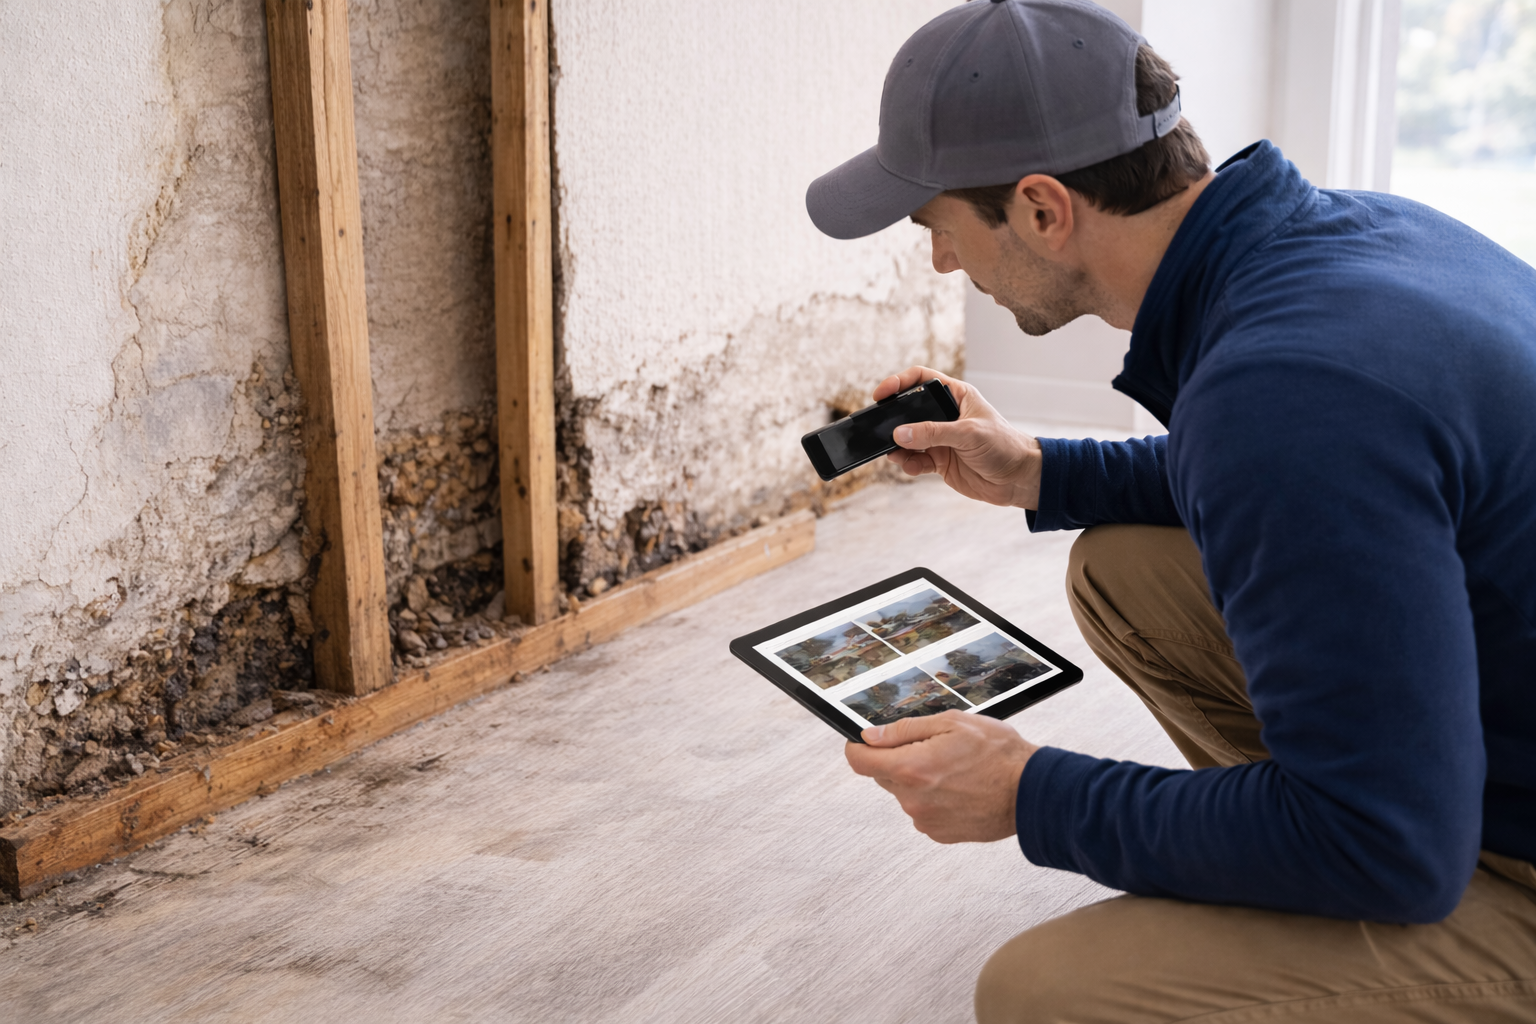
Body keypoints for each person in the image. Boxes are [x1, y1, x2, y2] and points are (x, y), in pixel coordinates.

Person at [804, 2, 1536, 1021]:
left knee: (1042, 993)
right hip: (1488, 751)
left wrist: (1031, 792)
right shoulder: (1352, 243)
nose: (940, 261)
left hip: (1457, 841)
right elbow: (1304, 482)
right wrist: (1038, 472)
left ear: (1043, 208)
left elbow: (1395, 848)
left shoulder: (1283, 392)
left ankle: (1339, 877)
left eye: (939, 225)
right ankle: (1308, 862)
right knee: (1125, 569)